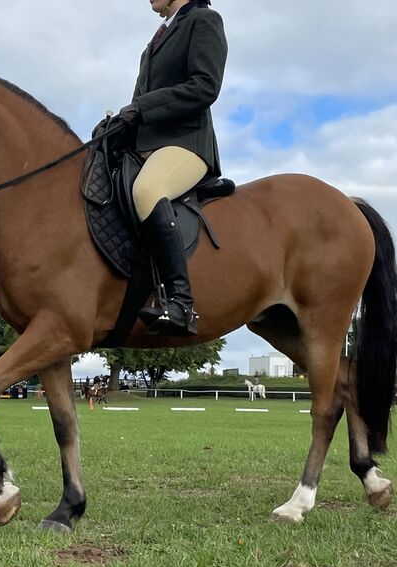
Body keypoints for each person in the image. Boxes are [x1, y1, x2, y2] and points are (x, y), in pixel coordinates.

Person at [114, 0, 227, 336]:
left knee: (148, 190)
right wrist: (118, 127)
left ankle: (180, 301)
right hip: (146, 146)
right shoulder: (157, 38)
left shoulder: (204, 21)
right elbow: (139, 104)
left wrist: (141, 107)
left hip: (185, 144)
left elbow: (205, 86)